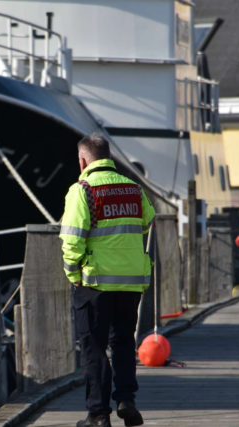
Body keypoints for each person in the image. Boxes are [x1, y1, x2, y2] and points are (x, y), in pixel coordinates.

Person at [59, 133, 155, 427]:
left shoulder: (82, 190)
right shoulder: (134, 189)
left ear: (83, 160)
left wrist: (74, 275)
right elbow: (147, 220)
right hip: (130, 283)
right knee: (124, 341)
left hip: (95, 283)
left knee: (94, 347)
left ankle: (98, 415)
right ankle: (127, 401)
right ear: (109, 157)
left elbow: (72, 241)